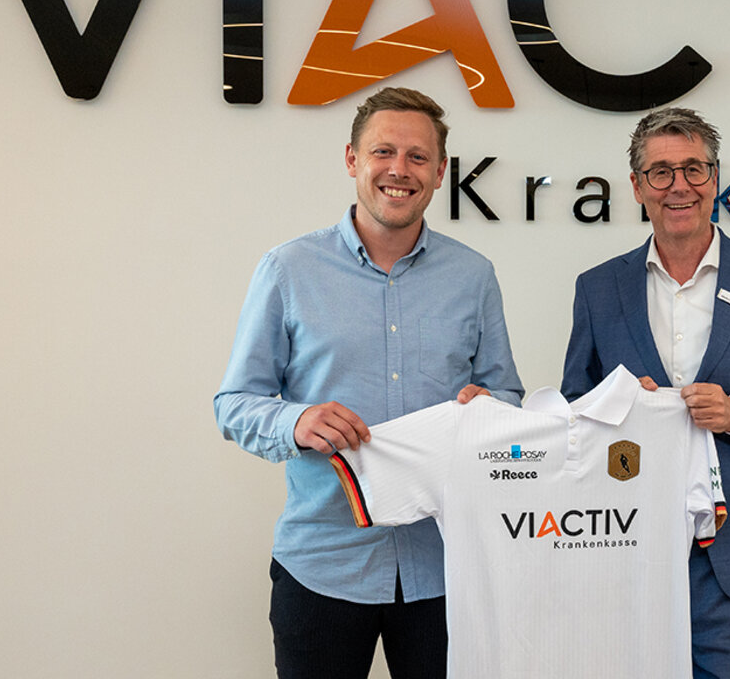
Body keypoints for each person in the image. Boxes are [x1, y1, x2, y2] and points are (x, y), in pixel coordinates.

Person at [215, 86, 523, 679]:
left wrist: (491, 408)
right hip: (323, 565)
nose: (399, 170)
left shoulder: (474, 276)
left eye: (417, 157)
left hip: (447, 568)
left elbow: (506, 392)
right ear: (352, 159)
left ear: (439, 172)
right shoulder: (288, 270)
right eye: (384, 152)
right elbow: (233, 403)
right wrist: (296, 421)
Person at [561, 107, 730, 679]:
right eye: (660, 172)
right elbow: (572, 420)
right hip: (627, 555)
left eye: (694, 169)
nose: (679, 186)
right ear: (637, 186)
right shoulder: (598, 288)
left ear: (715, 178)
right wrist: (618, 405)